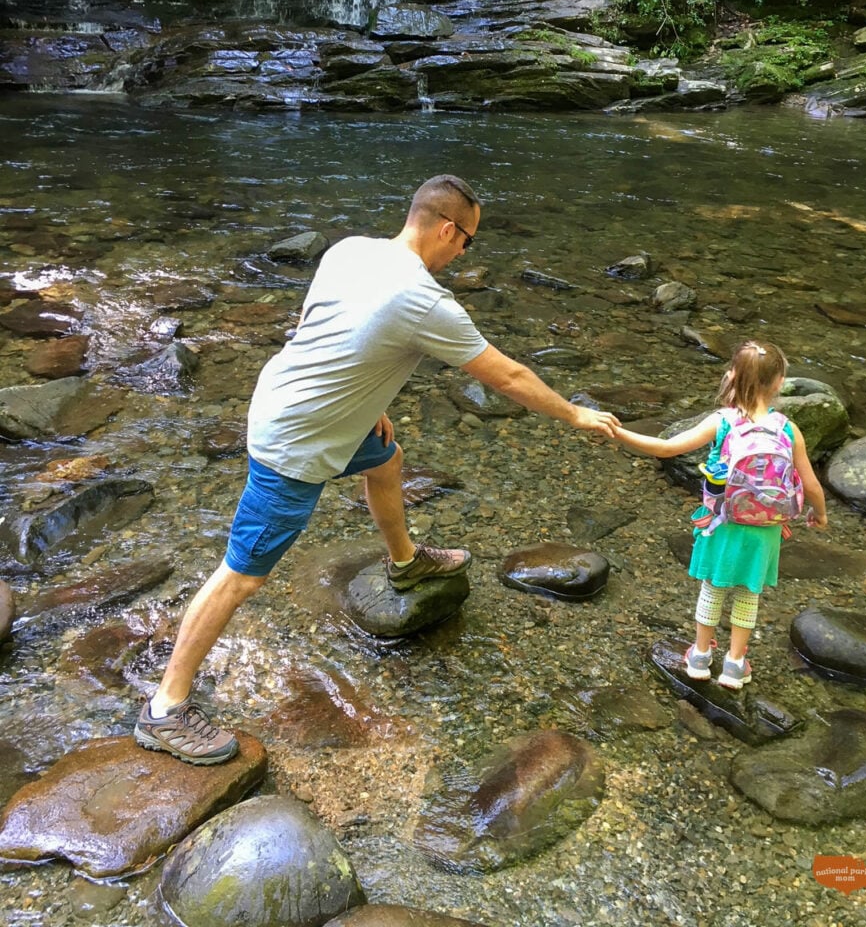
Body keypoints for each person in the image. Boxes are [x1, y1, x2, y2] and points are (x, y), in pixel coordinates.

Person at [135, 174, 620, 764]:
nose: (465, 253)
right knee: (242, 574)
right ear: (447, 229)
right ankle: (165, 707)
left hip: (305, 404)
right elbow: (509, 377)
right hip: (298, 439)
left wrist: (370, 402)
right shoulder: (423, 301)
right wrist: (574, 414)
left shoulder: (350, 250)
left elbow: (328, 327)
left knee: (387, 461)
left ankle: (406, 564)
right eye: (467, 242)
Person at [612, 340, 827, 690]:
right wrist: (820, 514)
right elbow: (812, 484)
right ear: (779, 383)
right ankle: (735, 664)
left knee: (713, 587)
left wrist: (617, 431)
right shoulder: (788, 428)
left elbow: (667, 448)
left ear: (732, 376)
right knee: (748, 592)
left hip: (722, 523)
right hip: (764, 530)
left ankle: (699, 657)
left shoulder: (723, 421)